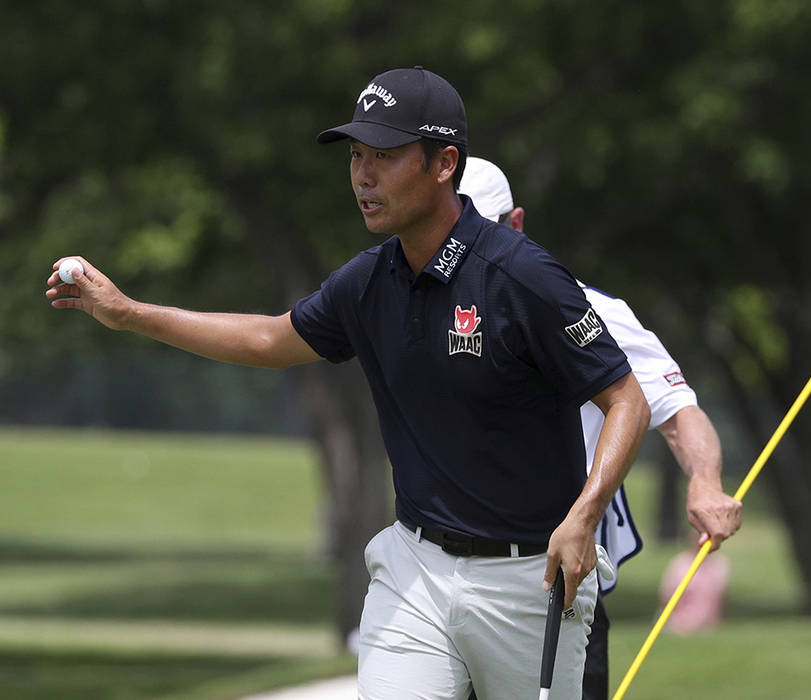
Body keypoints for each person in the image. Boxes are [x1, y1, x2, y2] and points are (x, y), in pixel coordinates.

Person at [45, 67, 650, 700]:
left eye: (384, 157)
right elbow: (268, 340)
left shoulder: (522, 275)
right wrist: (130, 313)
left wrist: (584, 516)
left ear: (444, 163)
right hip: (415, 568)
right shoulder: (368, 282)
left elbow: (625, 399)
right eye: (357, 157)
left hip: (527, 579)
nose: (363, 176)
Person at [458, 157, 743, 699]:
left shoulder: (592, 311)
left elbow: (679, 411)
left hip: (563, 588)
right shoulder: (422, 308)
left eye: (482, 229)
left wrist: (705, 480)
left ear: (514, 225)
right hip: (452, 581)